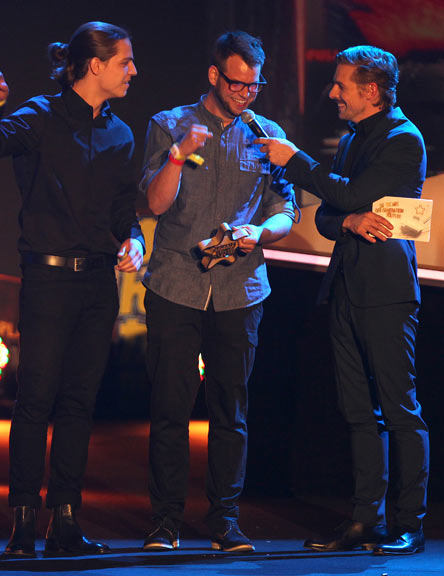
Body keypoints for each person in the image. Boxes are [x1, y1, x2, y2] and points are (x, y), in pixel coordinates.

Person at [0, 21, 145, 557]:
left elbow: (121, 210)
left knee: (79, 402)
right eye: (125, 62)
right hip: (46, 278)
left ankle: (65, 519)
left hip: (97, 282)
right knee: (36, 400)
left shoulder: (121, 133)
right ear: (96, 66)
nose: (133, 71)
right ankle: (22, 522)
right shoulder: (40, 116)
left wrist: (133, 239)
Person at [257, 45, 428, 556]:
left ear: (370, 91)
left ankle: (409, 524)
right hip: (346, 287)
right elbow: (331, 215)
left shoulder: (404, 139)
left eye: (341, 85)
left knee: (399, 409)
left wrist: (298, 162)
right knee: (357, 411)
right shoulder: (353, 139)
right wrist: (349, 219)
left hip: (387, 293)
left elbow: (347, 194)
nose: (333, 93)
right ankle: (363, 521)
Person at [139, 30, 295, 553]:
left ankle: (224, 521)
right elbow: (155, 206)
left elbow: (286, 209)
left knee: (232, 410)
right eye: (236, 84)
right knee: (170, 408)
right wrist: (179, 156)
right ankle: (165, 522)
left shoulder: (268, 135)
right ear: (214, 75)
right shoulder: (168, 124)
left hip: (241, 290)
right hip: (175, 287)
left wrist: (260, 231)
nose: (245, 94)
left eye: (254, 86)